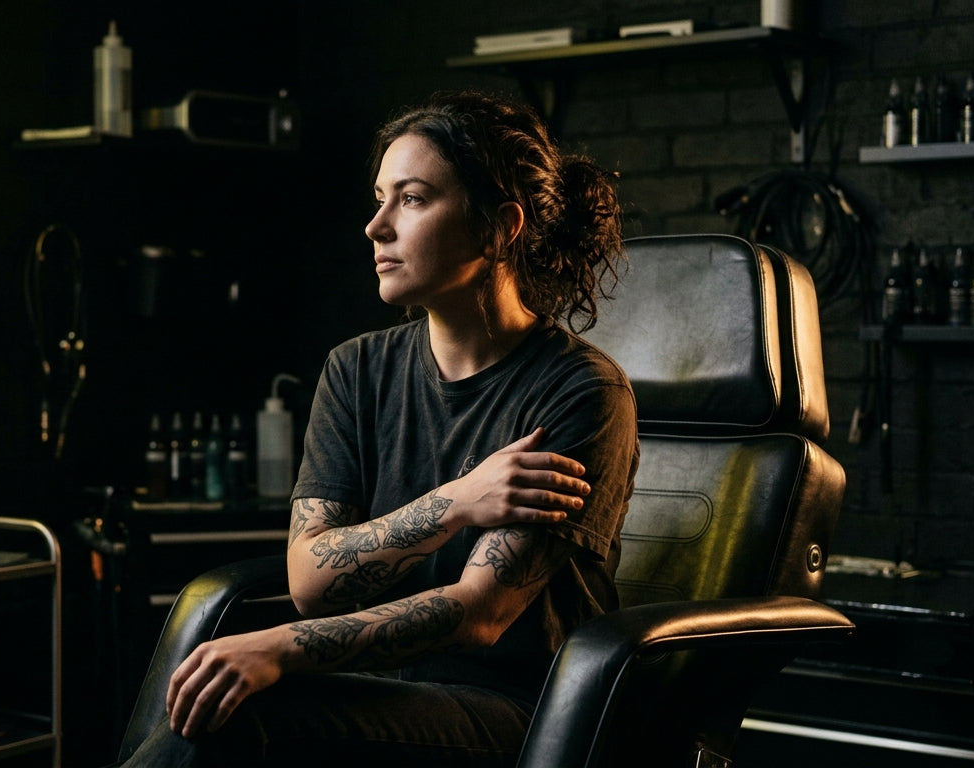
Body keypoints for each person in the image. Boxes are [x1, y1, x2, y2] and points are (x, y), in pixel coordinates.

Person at [123, 89, 639, 767]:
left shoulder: (581, 393)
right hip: (377, 690)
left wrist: (277, 647)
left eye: (414, 198)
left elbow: (479, 614)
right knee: (205, 697)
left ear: (499, 227)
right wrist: (459, 501)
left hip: (519, 714)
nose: (376, 226)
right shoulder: (356, 370)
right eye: (379, 197)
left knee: (239, 713)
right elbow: (309, 578)